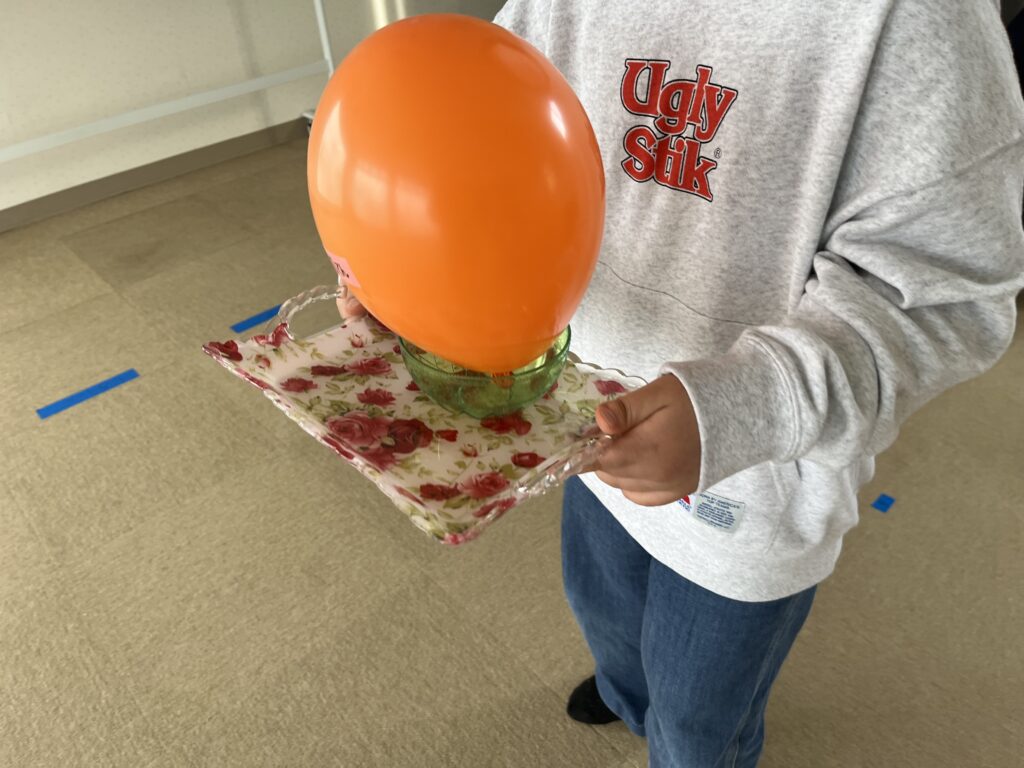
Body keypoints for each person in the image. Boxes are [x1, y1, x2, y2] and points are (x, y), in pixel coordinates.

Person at [340, 1, 1024, 765]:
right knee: (603, 612)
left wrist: (747, 405)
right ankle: (627, 692)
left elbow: (941, 296)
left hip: (757, 474)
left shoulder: (918, 20)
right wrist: (412, 276)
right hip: (586, 420)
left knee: (698, 721)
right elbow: (476, 142)